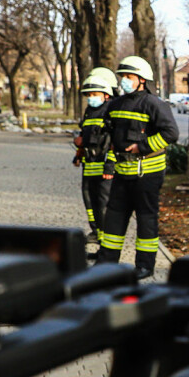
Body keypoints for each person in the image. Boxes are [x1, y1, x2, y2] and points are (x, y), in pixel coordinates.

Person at [96, 55, 178, 280]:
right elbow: (112, 137)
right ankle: (106, 263)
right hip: (122, 174)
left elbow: (171, 134)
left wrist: (142, 147)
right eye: (122, 76)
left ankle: (144, 266)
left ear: (142, 80)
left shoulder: (154, 104)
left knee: (146, 220)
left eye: (129, 77)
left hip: (147, 175)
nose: (124, 80)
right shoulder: (115, 104)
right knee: (114, 218)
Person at [73, 68, 117, 250]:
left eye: (95, 94)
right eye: (89, 94)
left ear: (106, 95)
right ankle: (97, 232)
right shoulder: (90, 112)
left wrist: (110, 167)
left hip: (103, 168)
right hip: (89, 166)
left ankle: (107, 242)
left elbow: (115, 142)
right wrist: (78, 153)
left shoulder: (111, 112)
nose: (91, 97)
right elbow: (85, 135)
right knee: (89, 202)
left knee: (103, 204)